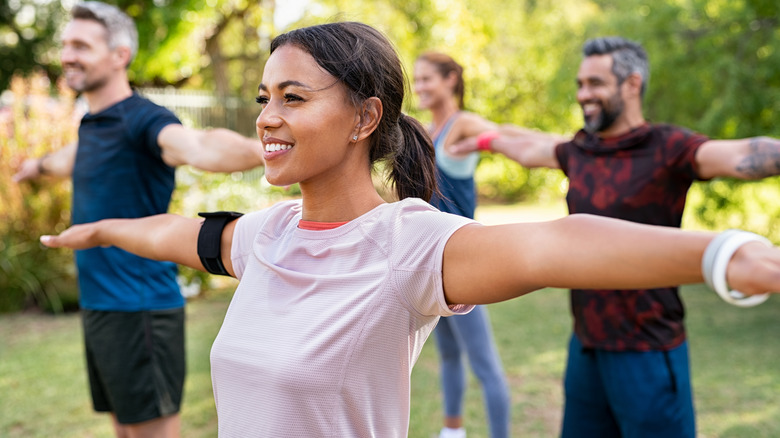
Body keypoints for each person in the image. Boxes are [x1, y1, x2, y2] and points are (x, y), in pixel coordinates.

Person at [38, 23, 780, 438]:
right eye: (265, 97)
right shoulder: (266, 236)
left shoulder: (409, 246)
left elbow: (557, 245)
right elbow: (180, 233)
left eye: (293, 97)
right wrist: (102, 227)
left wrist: (724, 253)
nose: (266, 116)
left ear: (365, 118)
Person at [452, 36, 780, 438]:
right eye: (580, 84)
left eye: (594, 83)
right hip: (586, 348)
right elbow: (527, 146)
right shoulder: (578, 149)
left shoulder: (669, 147)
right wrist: (481, 140)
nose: (583, 94)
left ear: (632, 84)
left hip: (647, 350)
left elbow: (742, 155)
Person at [13, 2, 264, 437]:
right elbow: (69, 160)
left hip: (141, 308)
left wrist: (265, 150)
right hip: (102, 307)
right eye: (66, 44)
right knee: (125, 431)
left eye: (81, 45)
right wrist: (35, 167)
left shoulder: (143, 120)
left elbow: (198, 147)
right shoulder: (94, 124)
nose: (67, 54)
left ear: (119, 54)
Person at [413, 51, 510, 438]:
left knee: (483, 362)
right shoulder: (425, 130)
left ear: (451, 79)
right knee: (449, 355)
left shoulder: (464, 124)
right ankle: (452, 432)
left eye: (427, 79)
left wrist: (484, 143)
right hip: (431, 261)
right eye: (416, 80)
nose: (419, 87)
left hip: (465, 259)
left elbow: (505, 136)